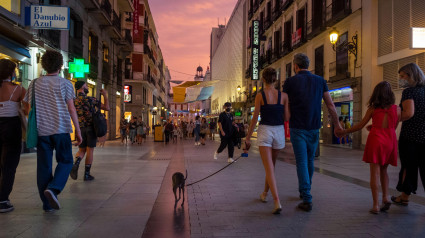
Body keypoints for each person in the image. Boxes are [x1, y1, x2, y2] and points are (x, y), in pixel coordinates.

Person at [23, 50, 82, 212]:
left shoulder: (34, 83)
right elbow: (71, 108)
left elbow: (27, 107)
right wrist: (78, 130)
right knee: (66, 161)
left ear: (44, 64)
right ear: (60, 65)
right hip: (62, 129)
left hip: (42, 131)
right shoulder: (65, 84)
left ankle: (47, 204)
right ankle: (54, 189)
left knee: (44, 166)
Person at [282, 53, 342, 212]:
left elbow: (284, 106)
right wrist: (337, 125)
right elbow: (330, 105)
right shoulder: (320, 81)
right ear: (308, 65)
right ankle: (305, 190)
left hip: (297, 127)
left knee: (301, 161)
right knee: (309, 160)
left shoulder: (289, 82)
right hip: (315, 127)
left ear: (295, 66)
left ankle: (307, 197)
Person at [338, 81, 400, 214]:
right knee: (384, 171)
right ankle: (386, 197)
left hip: (376, 139)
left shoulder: (373, 109)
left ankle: (376, 205)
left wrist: (344, 132)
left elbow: (360, 125)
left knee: (374, 173)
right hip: (390, 140)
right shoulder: (397, 109)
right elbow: (392, 127)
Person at [245, 68, 290, 214]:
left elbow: (255, 118)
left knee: (269, 168)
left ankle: (277, 201)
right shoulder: (284, 96)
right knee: (271, 166)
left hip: (265, 130)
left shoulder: (260, 96)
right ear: (276, 79)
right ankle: (264, 194)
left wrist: (248, 137)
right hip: (278, 131)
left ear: (263, 80)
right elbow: (287, 118)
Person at [392, 63, 425, 206]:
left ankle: (404, 196)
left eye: (402, 76)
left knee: (408, 167)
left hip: (410, 136)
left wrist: (395, 116)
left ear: (410, 75)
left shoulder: (409, 92)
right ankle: (405, 196)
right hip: (424, 135)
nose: (401, 79)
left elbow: (408, 113)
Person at [0, 59, 28, 213]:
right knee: (9, 165)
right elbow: (28, 109)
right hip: (11, 127)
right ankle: (3, 200)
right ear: (11, 72)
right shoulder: (18, 89)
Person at [70, 81, 110, 181]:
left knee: (81, 150)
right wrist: (105, 95)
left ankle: (76, 163)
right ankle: (87, 174)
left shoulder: (74, 101)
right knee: (90, 150)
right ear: (83, 87)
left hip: (80, 129)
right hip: (91, 129)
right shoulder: (91, 99)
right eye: (86, 86)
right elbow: (107, 108)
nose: (87, 87)